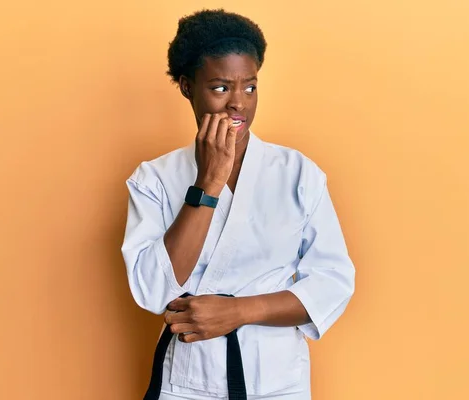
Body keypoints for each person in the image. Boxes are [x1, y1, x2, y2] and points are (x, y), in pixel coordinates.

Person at [121, 9, 356, 400]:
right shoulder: (154, 179)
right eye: (220, 88)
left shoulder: (298, 172)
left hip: (277, 380)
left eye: (250, 87)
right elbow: (151, 290)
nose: (238, 104)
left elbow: (332, 282)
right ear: (186, 86)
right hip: (188, 380)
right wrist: (208, 182)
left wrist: (240, 312)